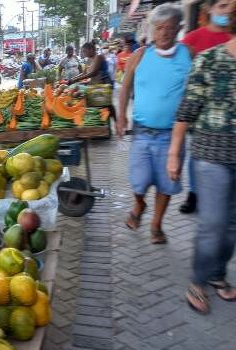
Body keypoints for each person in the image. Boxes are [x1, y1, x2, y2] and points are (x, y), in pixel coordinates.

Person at [167, 11, 236, 313]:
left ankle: (218, 273)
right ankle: (198, 280)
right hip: (212, 157)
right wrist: (174, 153)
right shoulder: (209, 59)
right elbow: (186, 110)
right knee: (213, 224)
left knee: (232, 227)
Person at [116, 3, 193, 244]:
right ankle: (139, 204)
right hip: (142, 132)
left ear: (179, 28)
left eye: (170, 28)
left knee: (166, 185)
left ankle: (156, 225)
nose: (164, 33)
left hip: (173, 135)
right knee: (138, 181)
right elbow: (125, 86)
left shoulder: (188, 55)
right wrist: (121, 115)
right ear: (151, 29)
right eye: (159, 28)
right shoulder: (140, 56)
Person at [177, 0, 235, 214]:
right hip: (202, 112)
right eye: (222, 5)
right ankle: (194, 193)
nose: (228, 10)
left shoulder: (231, 37)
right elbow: (182, 70)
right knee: (197, 155)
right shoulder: (193, 38)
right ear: (208, 9)